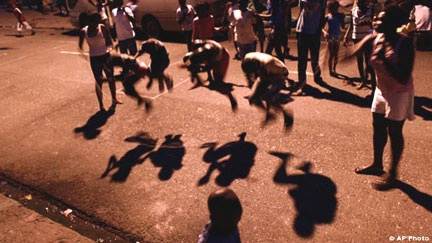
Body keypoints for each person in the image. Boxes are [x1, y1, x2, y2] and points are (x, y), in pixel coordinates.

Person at [354, 5, 415, 190]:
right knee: (377, 126)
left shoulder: (404, 44)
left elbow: (403, 77)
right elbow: (355, 50)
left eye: (381, 20)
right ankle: (377, 164)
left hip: (399, 93)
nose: (376, 21)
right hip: (381, 90)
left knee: (394, 132)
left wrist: (384, 61)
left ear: (392, 24)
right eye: (376, 19)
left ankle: (393, 173)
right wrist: (336, 58)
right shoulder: (376, 37)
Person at [79, 12, 122, 112]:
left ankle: (114, 99)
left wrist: (110, 48)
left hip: (105, 56)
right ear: (90, 22)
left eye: (98, 21)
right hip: (94, 59)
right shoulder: (83, 31)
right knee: (99, 82)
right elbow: (80, 46)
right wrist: (83, 53)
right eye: (95, 22)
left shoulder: (102, 27)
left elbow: (109, 41)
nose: (97, 24)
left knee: (110, 78)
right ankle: (101, 105)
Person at [241, 52, 294, 131]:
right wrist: (253, 90)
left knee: (268, 97)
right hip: (264, 73)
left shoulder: (268, 63)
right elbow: (249, 76)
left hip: (280, 74)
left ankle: (286, 114)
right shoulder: (247, 58)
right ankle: (269, 114)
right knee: (253, 98)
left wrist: (258, 90)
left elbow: (277, 77)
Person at [294, 0, 327, 94]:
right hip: (302, 29)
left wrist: (319, 30)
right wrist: (297, 27)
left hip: (314, 31)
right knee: (302, 59)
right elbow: (301, 11)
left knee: (314, 57)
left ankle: (317, 75)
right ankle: (302, 82)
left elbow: (322, 14)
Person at [343, 0, 375, 90]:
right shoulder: (353, 11)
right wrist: (346, 36)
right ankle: (363, 81)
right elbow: (352, 25)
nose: (360, 3)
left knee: (369, 62)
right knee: (360, 61)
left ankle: (373, 86)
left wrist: (372, 34)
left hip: (367, 40)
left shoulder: (370, 11)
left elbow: (373, 25)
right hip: (356, 38)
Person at [322, 0, 345, 76]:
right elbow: (321, 27)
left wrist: (343, 19)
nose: (334, 9)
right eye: (332, 8)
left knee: (336, 54)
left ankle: (334, 69)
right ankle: (330, 70)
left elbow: (343, 26)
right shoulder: (328, 16)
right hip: (330, 36)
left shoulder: (339, 16)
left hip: (337, 36)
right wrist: (325, 32)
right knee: (331, 54)